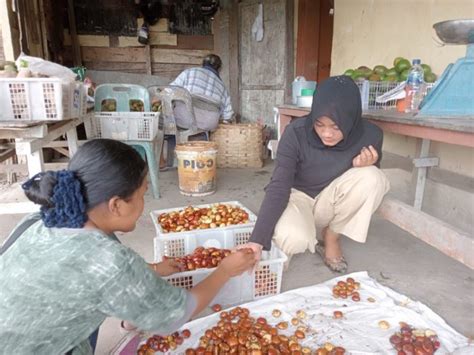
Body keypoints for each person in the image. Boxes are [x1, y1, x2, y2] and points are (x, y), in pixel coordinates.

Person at [0, 139, 255, 355]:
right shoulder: (109, 261)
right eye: (142, 195)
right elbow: (179, 314)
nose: (144, 205)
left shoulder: (43, 219)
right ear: (116, 205)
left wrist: (152, 270)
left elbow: (73, 272)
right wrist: (225, 270)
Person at [239, 76, 390, 273]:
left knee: (373, 177)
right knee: (292, 238)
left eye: (336, 127)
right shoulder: (296, 133)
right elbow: (279, 185)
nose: (327, 134)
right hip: (297, 196)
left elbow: (366, 181)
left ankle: (332, 236)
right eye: (320, 125)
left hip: (331, 199)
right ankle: (284, 245)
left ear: (351, 119)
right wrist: (257, 241)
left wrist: (362, 165)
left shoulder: (370, 135)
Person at [170, 53, 234, 131]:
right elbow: (228, 116)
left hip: (184, 119)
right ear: (219, 69)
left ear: (203, 64)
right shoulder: (222, 87)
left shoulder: (189, 72)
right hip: (208, 124)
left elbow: (169, 90)